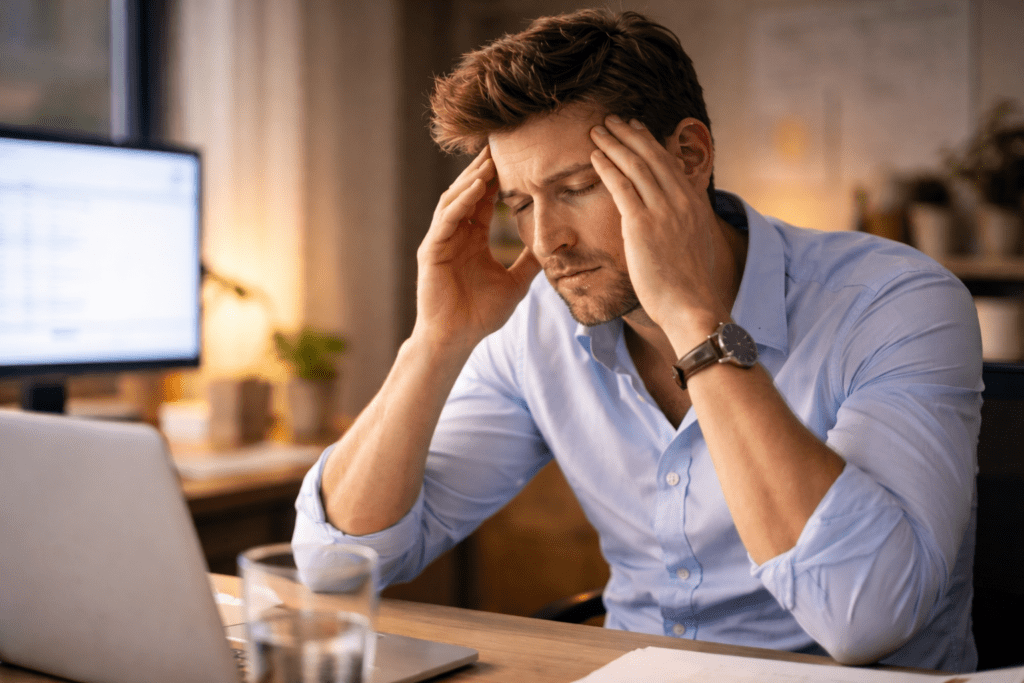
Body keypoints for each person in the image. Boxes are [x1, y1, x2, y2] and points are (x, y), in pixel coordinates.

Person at [293, 9, 982, 672]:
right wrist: (436, 340)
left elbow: (868, 620)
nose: (546, 242)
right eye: (522, 203)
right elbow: (336, 564)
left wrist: (691, 317)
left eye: (577, 187)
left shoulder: (894, 302)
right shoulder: (539, 325)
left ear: (688, 155)